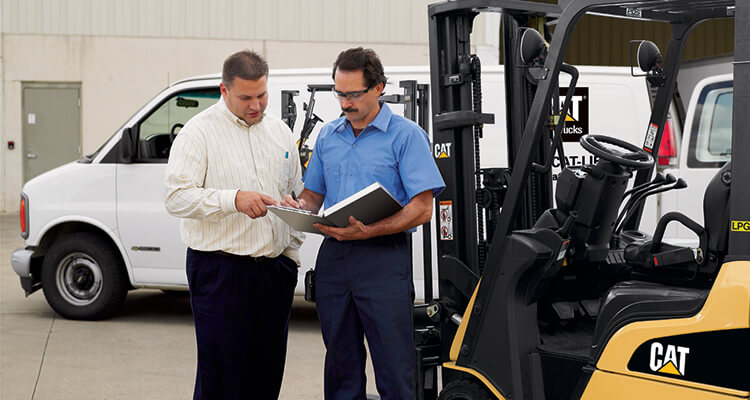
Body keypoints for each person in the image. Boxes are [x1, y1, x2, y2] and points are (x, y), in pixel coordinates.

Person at [282, 47, 445, 400]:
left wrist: (369, 230)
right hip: (334, 259)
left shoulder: (406, 136)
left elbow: (422, 208)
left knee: (393, 367)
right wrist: (297, 206)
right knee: (341, 367)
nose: (344, 102)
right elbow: (314, 196)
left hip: (383, 259)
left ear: (378, 88)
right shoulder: (329, 136)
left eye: (353, 94)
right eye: (340, 93)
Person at [164, 50, 303, 400]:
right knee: (221, 383)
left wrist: (290, 255)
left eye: (262, 95)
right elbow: (176, 198)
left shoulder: (281, 133)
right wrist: (233, 199)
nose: (256, 105)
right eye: (246, 98)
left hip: (275, 274)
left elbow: (295, 194)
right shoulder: (199, 133)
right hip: (220, 272)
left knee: (266, 379)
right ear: (223, 91)